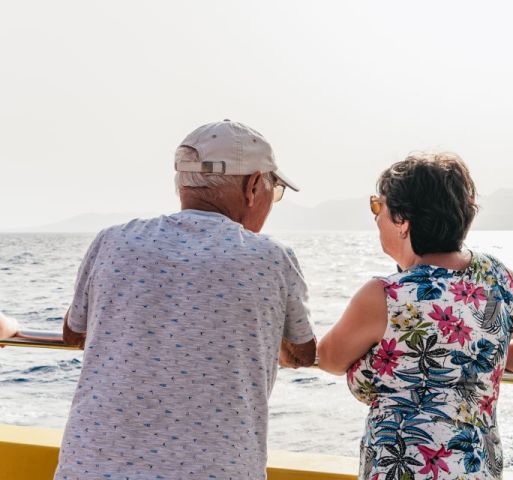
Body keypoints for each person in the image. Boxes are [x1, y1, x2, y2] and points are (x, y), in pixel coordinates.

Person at [53, 120, 316, 479]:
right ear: (254, 185)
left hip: (91, 467)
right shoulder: (271, 258)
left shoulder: (111, 242)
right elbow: (303, 353)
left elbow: (74, 333)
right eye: (275, 189)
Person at [318, 153, 513, 480]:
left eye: (377, 206)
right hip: (476, 469)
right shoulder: (500, 279)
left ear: (403, 220)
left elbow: (328, 358)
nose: (375, 218)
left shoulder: (385, 296)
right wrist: (471, 349)